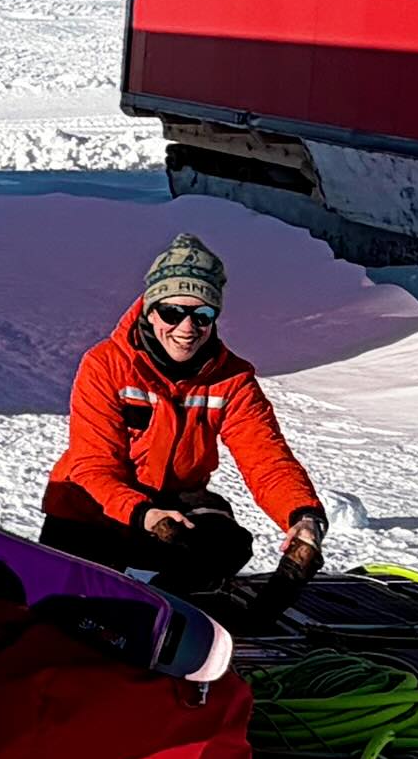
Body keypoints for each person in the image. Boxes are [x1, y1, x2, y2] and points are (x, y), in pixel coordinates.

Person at [41, 230, 326, 597]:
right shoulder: (105, 365)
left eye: (202, 315)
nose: (187, 328)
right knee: (63, 602)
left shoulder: (232, 379)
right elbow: (94, 466)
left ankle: (168, 607)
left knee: (225, 543)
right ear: (150, 310)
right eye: (172, 313)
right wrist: (143, 514)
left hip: (169, 511)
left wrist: (303, 515)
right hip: (92, 510)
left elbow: (266, 459)